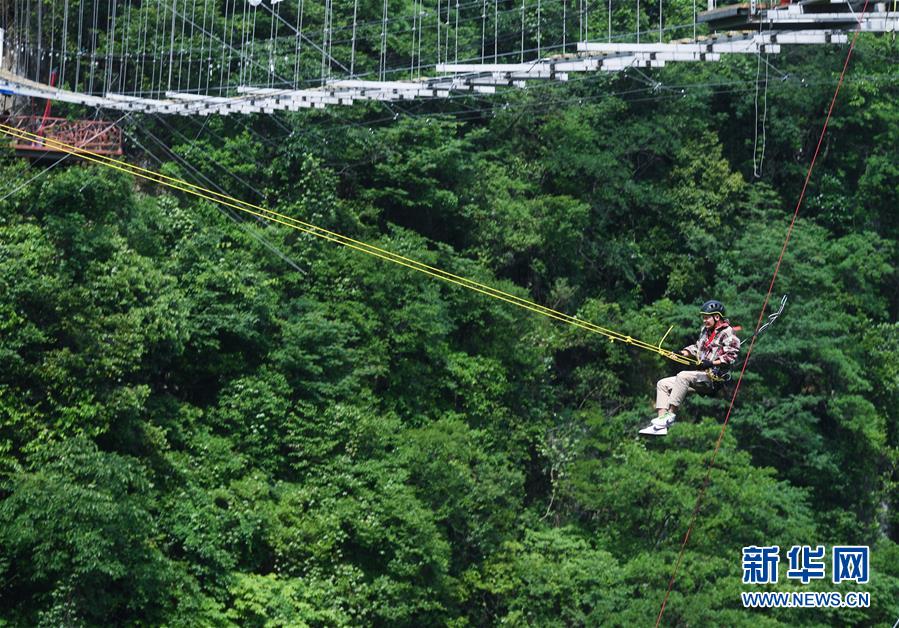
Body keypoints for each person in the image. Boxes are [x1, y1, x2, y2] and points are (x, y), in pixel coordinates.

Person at [640, 300, 741, 436]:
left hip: (713, 378)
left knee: (683, 375)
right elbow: (697, 348)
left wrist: (711, 363)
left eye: (707, 317)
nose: (704, 320)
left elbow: (730, 357)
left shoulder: (728, 333)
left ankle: (670, 415)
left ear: (717, 317)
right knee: (662, 384)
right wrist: (682, 353)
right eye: (703, 318)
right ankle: (660, 425)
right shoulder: (705, 331)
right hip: (700, 376)